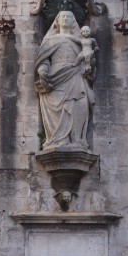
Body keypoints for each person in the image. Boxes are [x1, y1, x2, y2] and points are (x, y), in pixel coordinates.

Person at [34, 11, 96, 151]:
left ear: (73, 21)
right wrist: (42, 70)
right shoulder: (50, 40)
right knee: (59, 108)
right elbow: (44, 59)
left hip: (75, 74)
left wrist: (89, 64)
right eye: (62, 16)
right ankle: (58, 140)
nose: (66, 18)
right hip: (56, 77)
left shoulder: (80, 41)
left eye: (69, 16)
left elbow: (88, 59)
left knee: (80, 104)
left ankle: (77, 140)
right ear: (57, 21)